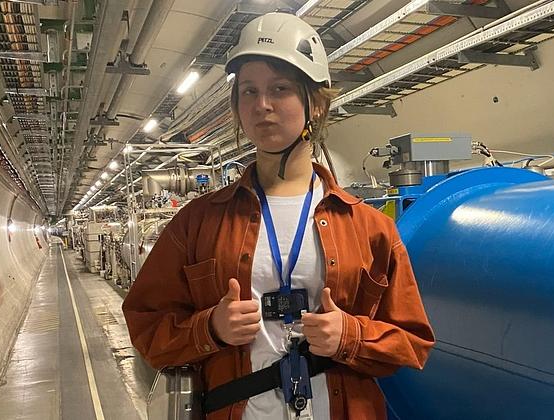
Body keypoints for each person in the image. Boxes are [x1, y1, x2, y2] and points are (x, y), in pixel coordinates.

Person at [122, 12, 434, 420]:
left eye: (280, 89)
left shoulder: (369, 227)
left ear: (315, 105)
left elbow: (412, 342)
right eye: (248, 91)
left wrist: (349, 335)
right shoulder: (197, 222)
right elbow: (146, 328)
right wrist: (210, 328)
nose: (262, 105)